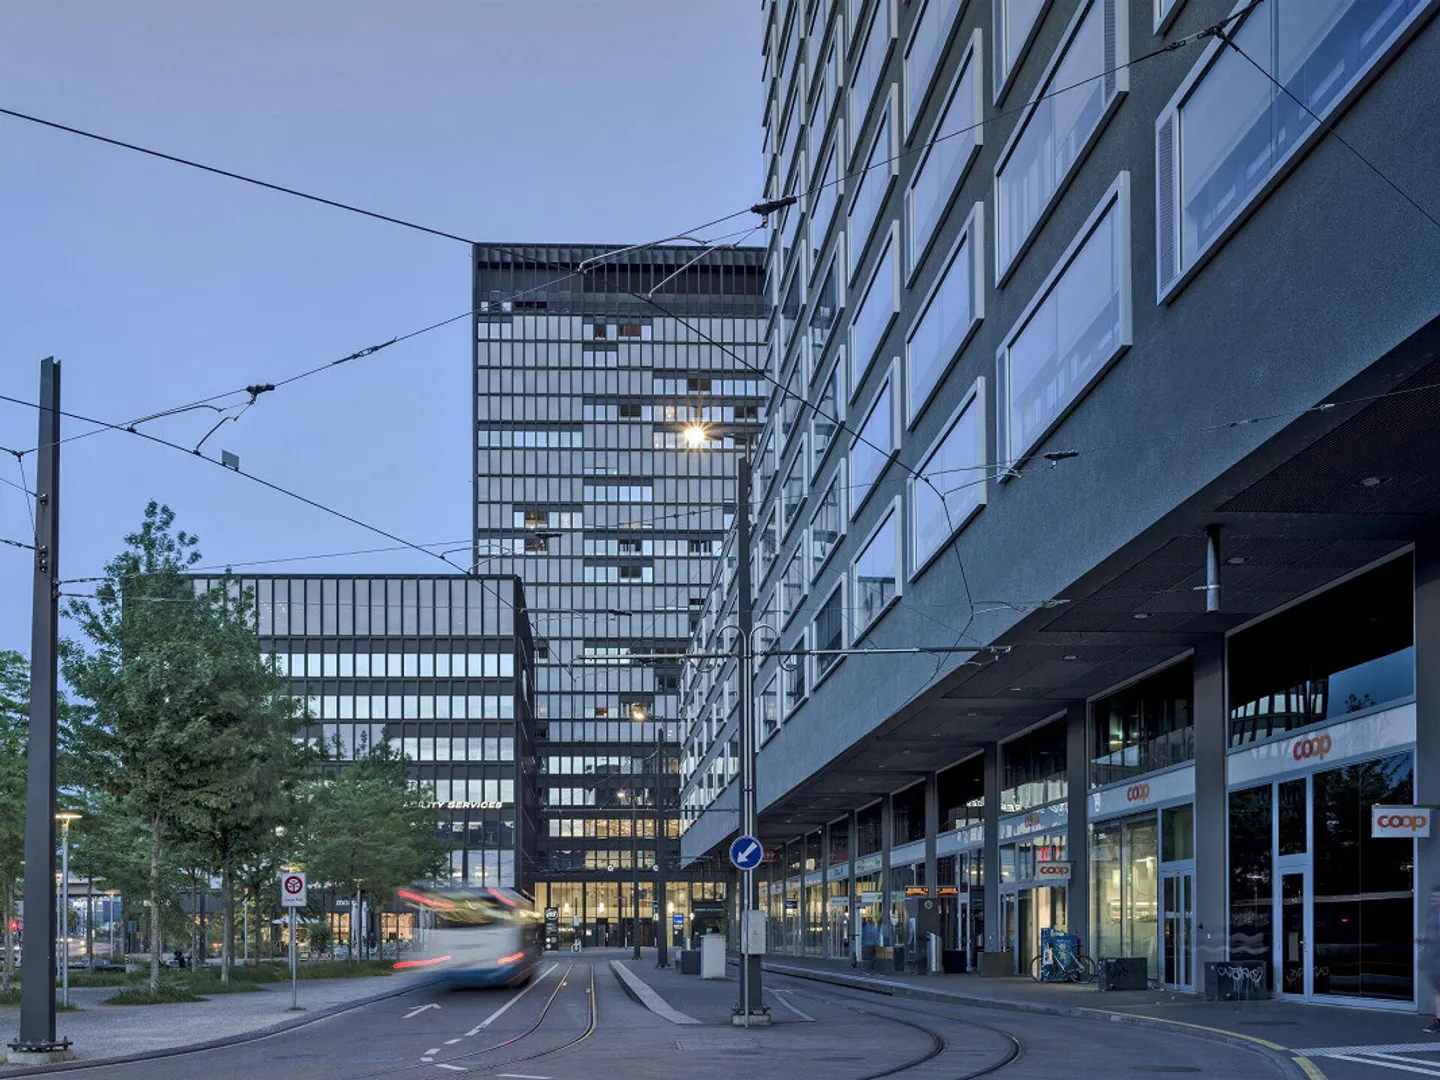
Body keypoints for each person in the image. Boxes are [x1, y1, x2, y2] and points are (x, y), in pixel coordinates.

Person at [1420, 887, 1440, 1032]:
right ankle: (1438, 1021)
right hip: (1434, 957)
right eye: (1433, 897)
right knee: (1437, 990)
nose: (1435, 900)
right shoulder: (1432, 913)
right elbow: (1429, 933)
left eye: (1438, 897)